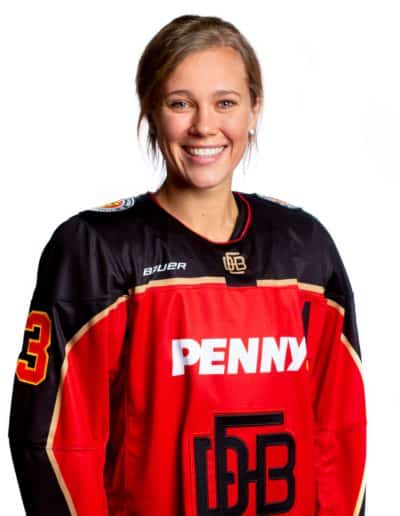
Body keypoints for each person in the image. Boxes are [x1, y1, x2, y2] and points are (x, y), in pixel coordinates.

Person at [8, 14, 366, 516]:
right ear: (151, 111)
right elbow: (54, 442)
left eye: (226, 103)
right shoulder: (97, 248)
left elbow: (340, 431)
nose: (204, 126)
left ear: (254, 109)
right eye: (180, 103)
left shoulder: (304, 247)